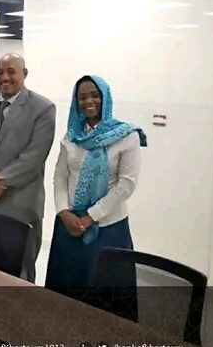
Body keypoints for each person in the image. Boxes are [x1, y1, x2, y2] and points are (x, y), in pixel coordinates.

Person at [45, 75, 146, 298]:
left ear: (106, 98)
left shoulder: (127, 136)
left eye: (94, 95)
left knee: (104, 296)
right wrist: (63, 212)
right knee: (65, 293)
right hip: (69, 226)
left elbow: (126, 185)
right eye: (82, 97)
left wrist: (90, 217)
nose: (88, 101)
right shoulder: (72, 136)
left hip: (109, 228)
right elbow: (60, 176)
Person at [0, 53, 56, 283]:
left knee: (19, 278)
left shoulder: (43, 108)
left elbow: (33, 157)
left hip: (20, 207)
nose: (5, 77)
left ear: (24, 74)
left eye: (11, 71)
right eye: (0, 72)